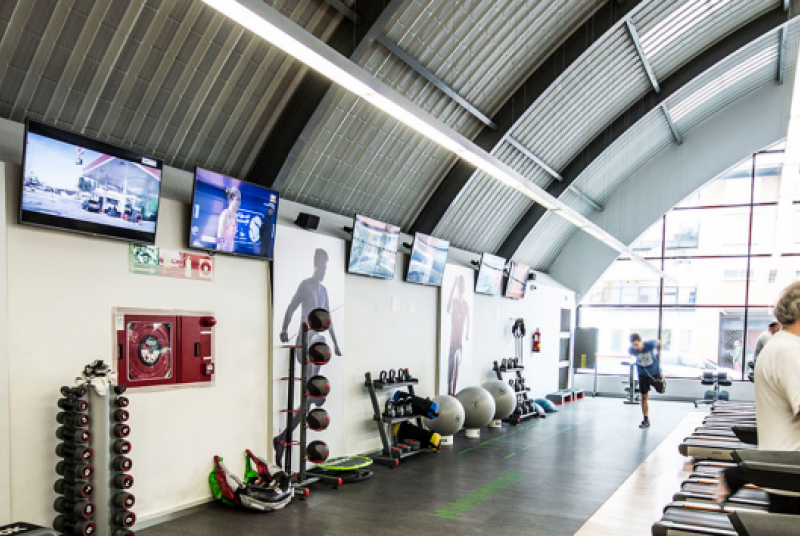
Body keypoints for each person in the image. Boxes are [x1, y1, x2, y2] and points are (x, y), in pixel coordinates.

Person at [716, 282, 800, 514]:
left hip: (783, 471)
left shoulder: (783, 345)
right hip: (791, 474)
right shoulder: (791, 351)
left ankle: (734, 476)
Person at [273, 248, 342, 466]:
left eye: (326, 268)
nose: (323, 271)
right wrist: (284, 329)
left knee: (313, 398)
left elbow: (328, 319)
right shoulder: (305, 285)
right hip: (306, 343)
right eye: (321, 267)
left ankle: (282, 438)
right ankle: (282, 438)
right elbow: (292, 307)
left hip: (318, 347)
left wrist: (336, 344)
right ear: (315, 265)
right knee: (311, 396)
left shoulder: (324, 290)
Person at [628, 334, 662, 429]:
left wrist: (658, 354)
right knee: (644, 396)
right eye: (633, 345)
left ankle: (662, 380)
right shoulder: (631, 350)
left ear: (640, 341)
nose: (635, 347)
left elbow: (659, 343)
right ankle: (646, 419)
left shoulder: (650, 344)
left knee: (661, 391)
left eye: (637, 344)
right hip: (642, 374)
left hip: (654, 373)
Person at [446, 274, 470, 396]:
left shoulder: (465, 304)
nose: (460, 290)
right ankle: (449, 393)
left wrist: (467, 333)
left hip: (460, 341)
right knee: (450, 368)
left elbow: (469, 319)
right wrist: (453, 287)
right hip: (452, 339)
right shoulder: (454, 301)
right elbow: (447, 308)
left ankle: (454, 393)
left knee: (457, 367)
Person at [216, 187, 240, 252]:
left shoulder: (235, 216)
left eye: (239, 200)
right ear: (231, 200)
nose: (239, 203)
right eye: (237, 199)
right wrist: (219, 255)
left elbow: (232, 240)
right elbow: (219, 238)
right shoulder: (225, 214)